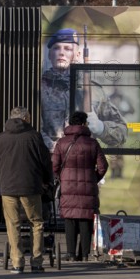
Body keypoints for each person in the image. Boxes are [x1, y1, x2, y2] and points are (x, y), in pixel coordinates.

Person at [40, 28, 128, 152]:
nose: (61, 53)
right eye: (56, 48)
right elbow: (31, 129)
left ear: (78, 55)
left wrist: (101, 128)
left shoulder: (95, 91)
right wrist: (53, 147)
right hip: (48, 164)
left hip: (84, 163)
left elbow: (122, 131)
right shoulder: (39, 88)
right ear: (49, 54)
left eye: (68, 49)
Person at [0, 107, 53, 274]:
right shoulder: (34, 136)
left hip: (8, 188)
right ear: (25, 118)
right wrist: (48, 181)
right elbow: (45, 162)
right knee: (36, 223)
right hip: (31, 187)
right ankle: (37, 262)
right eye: (30, 118)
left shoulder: (0, 138)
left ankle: (17, 263)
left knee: (13, 224)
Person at [52, 111, 108, 262]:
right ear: (84, 124)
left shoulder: (61, 143)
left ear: (70, 123)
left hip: (68, 187)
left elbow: (54, 165)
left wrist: (62, 178)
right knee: (86, 219)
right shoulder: (92, 143)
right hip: (87, 188)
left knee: (70, 219)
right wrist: (92, 179)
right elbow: (103, 166)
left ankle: (70, 253)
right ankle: (84, 255)